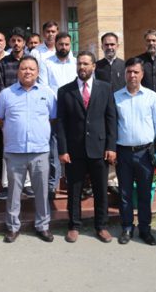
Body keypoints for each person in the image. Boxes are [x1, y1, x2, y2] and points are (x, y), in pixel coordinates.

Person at [57, 51, 117, 243]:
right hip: (74, 151)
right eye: (79, 64)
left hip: (99, 149)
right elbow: (61, 123)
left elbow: (111, 119)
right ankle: (74, 226)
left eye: (85, 64)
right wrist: (63, 150)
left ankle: (102, 226)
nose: (82, 67)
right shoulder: (65, 91)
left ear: (93, 66)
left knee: (101, 189)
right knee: (74, 190)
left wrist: (111, 146)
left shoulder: (105, 88)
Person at [0, 56, 57, 243]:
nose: (27, 72)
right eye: (24, 68)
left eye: (31, 69)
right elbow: (0, 120)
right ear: (18, 71)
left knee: (41, 191)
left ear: (37, 72)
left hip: (40, 151)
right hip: (15, 152)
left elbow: (52, 118)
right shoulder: (6, 94)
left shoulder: (47, 93)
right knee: (14, 192)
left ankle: (43, 225)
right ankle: (13, 227)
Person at [114, 57, 156, 246]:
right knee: (125, 193)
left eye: (136, 72)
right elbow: (112, 126)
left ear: (142, 74)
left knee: (145, 193)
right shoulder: (116, 97)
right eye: (129, 72)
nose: (132, 75)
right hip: (123, 153)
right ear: (124, 74)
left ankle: (145, 229)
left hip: (145, 153)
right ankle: (127, 227)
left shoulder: (151, 97)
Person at [0, 27, 33, 198]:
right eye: (14, 40)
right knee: (8, 148)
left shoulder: (31, 61)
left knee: (29, 146)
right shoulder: (4, 63)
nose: (16, 44)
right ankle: (7, 184)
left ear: (24, 43)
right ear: (10, 43)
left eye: (19, 40)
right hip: (10, 113)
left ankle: (28, 184)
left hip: (29, 110)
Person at [40, 32, 78, 199]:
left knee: (75, 149)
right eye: (61, 44)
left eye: (67, 44)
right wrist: (61, 99)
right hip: (55, 111)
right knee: (55, 151)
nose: (64, 47)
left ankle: (74, 183)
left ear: (71, 45)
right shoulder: (46, 63)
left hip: (75, 112)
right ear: (55, 44)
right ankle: (52, 186)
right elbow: (44, 86)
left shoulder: (76, 63)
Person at [94, 33, 126, 197]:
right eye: (106, 45)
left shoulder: (125, 66)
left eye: (112, 44)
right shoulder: (97, 66)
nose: (110, 47)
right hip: (102, 112)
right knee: (105, 142)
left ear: (118, 46)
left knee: (119, 142)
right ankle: (108, 180)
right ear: (102, 46)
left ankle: (117, 179)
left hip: (122, 111)